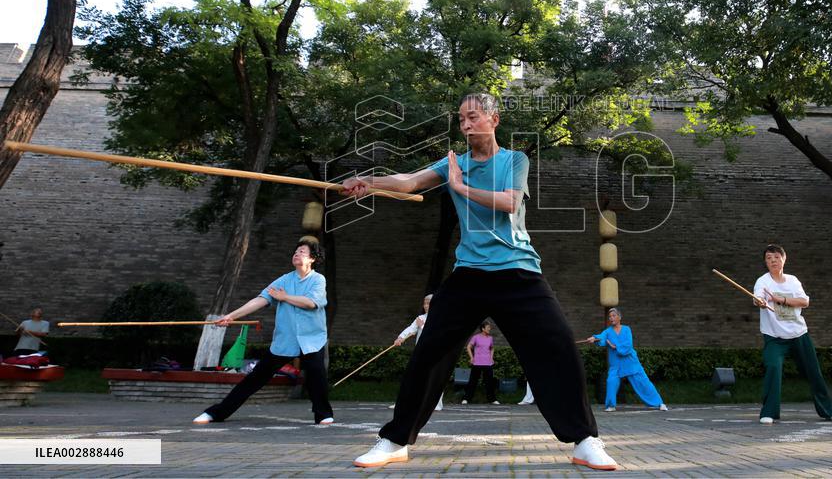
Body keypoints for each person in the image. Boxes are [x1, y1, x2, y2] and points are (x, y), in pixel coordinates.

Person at [345, 93, 615, 471]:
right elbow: (409, 181)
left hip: (519, 270)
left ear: (493, 119)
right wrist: (369, 182)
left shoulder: (513, 160)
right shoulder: (453, 162)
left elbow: (508, 203)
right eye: (461, 119)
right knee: (428, 353)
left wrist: (459, 187)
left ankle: (585, 440)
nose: (466, 125)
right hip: (469, 274)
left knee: (557, 347)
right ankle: (394, 440)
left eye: (472, 117)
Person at [193, 240, 333, 425]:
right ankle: (216, 413)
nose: (296, 254)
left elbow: (310, 303)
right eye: (296, 250)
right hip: (285, 340)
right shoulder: (284, 280)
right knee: (256, 378)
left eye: (302, 252)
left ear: (312, 259)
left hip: (312, 339)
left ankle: (323, 415)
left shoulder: (318, 280)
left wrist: (285, 297)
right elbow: (260, 300)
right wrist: (231, 316)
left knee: (317, 376)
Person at [752, 244, 832, 425]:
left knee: (813, 372)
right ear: (765, 262)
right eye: (769, 258)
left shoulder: (793, 281)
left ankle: (829, 411)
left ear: (784, 259)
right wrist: (760, 302)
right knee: (773, 368)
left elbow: (804, 301)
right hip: (774, 337)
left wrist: (781, 300)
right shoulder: (762, 281)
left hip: (798, 334)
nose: (773, 261)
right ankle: (769, 412)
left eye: (776, 257)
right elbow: (758, 297)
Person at [587, 308, 667, 412]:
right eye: (610, 316)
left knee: (643, 383)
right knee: (611, 381)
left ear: (619, 317)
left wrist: (615, 347)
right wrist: (594, 338)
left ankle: (659, 403)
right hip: (616, 363)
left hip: (630, 362)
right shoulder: (608, 331)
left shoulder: (626, 329)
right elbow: (601, 337)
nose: (611, 318)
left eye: (614, 316)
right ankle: (611, 405)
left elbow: (628, 345)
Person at [391, 294, 444, 411]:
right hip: (420, 353)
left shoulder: (440, 319)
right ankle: (404, 403)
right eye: (424, 303)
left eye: (428, 303)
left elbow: (435, 335)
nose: (425, 306)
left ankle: (436, 404)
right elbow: (410, 329)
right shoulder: (420, 318)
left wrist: (423, 326)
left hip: (434, 353)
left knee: (433, 379)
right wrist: (400, 338)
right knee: (412, 378)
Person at [462, 321, 498, 405]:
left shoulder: (490, 338)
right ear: (483, 328)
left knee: (489, 382)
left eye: (489, 327)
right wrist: (471, 357)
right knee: (472, 382)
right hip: (477, 363)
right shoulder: (476, 337)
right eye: (488, 327)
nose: (489, 329)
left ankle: (492, 399)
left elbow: (492, 348)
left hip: (488, 363)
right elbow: (468, 347)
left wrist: (491, 358)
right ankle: (466, 398)